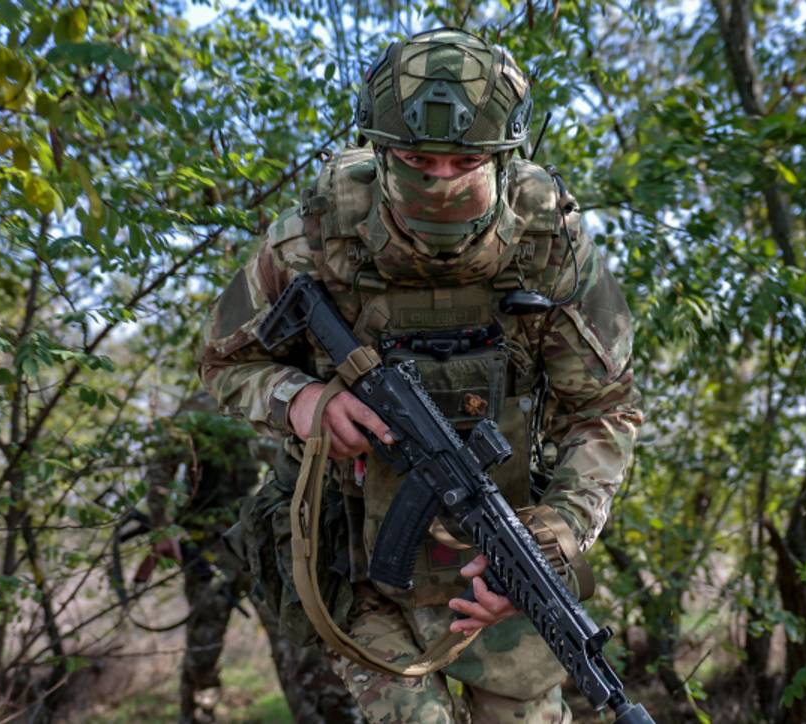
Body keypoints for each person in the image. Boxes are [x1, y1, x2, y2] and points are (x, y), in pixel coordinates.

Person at [198, 27, 642, 723]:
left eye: (464, 161)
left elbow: (605, 410)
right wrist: (303, 401)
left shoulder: (549, 246)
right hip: (357, 567)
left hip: (496, 566)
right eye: (415, 160)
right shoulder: (317, 237)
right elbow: (224, 360)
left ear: (505, 155)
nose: (439, 180)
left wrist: (555, 537)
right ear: (379, 151)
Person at [138, 390, 360, 723]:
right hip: (210, 548)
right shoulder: (200, 406)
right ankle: (198, 714)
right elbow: (161, 467)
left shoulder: (275, 392)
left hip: (267, 545)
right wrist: (161, 527)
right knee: (204, 649)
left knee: (296, 642)